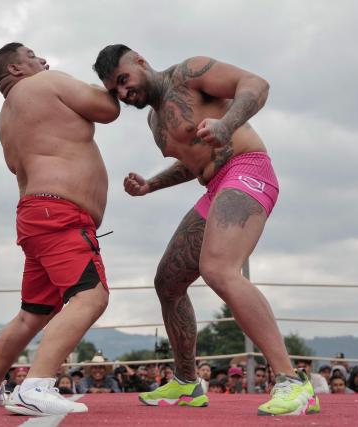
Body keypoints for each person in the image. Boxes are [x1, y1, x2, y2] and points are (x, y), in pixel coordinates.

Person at [93, 44, 320, 416]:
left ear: (140, 61)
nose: (122, 92)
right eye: (114, 90)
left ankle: (292, 381)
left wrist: (227, 124)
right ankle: (186, 383)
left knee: (218, 269)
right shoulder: (154, 123)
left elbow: (256, 84)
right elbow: (194, 161)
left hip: (248, 168)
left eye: (123, 80)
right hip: (215, 188)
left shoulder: (190, 72)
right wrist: (151, 184)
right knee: (167, 282)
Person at [0, 42, 119, 417]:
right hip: (60, 214)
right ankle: (36, 386)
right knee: (91, 297)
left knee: (31, 314)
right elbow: (107, 108)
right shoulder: (46, 83)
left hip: (37, 216)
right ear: (15, 69)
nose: (43, 60)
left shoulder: (6, 116)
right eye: (32, 56)